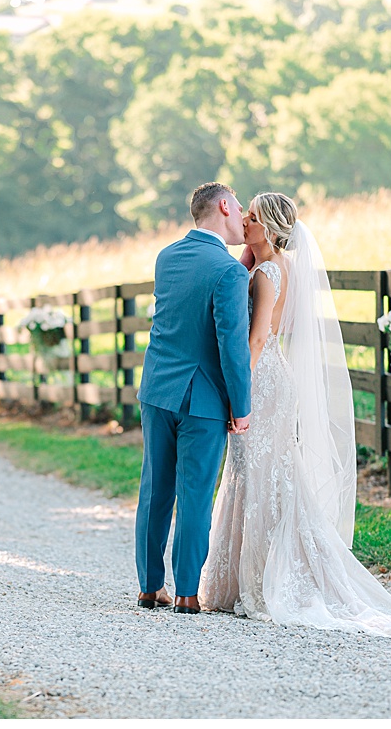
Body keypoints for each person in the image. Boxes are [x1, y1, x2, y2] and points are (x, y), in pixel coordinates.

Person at [198, 192, 391, 644]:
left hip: (263, 382)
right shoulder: (272, 266)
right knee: (258, 474)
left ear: (269, 227)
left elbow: (254, 342)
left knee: (261, 474)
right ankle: (240, 578)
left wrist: (240, 398)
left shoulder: (267, 273)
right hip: (273, 377)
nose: (244, 224)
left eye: (251, 218)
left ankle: (265, 580)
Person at [133, 182, 253, 615]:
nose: (243, 218)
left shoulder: (167, 257)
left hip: (157, 390)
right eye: (240, 209)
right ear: (224, 205)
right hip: (202, 400)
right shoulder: (229, 273)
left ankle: (149, 587)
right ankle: (186, 592)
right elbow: (232, 347)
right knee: (195, 493)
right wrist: (242, 407)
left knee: (155, 489)